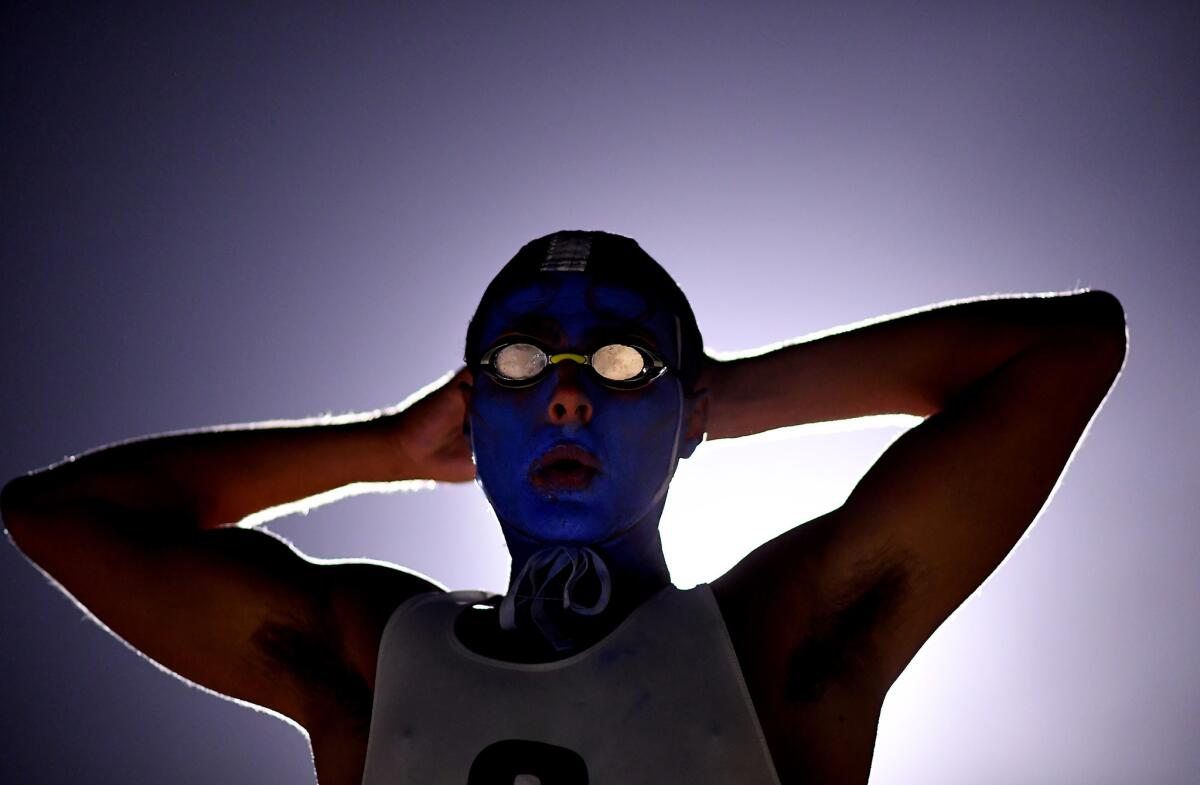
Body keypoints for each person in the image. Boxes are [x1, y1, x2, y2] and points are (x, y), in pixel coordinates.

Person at [1, 230, 1127, 785]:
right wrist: (382, 445)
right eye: (526, 355)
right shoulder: (373, 656)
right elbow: (60, 516)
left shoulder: (783, 642)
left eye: (625, 358)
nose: (573, 388)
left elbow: (1064, 347)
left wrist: (712, 396)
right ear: (472, 412)